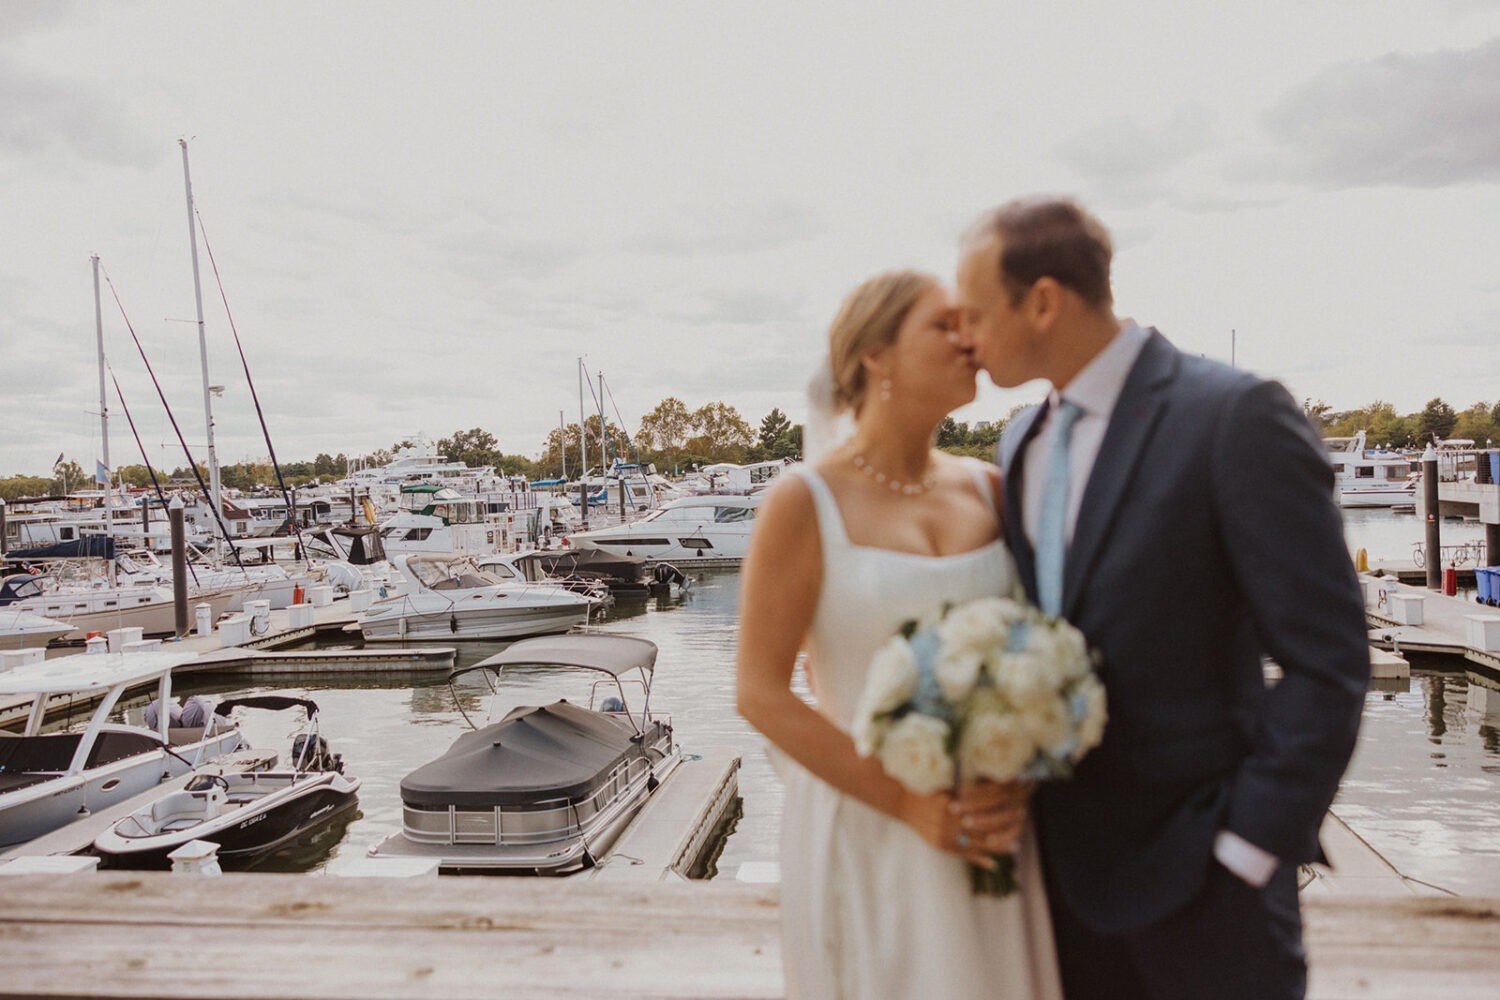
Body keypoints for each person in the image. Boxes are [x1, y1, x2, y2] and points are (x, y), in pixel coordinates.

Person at [954, 196, 1369, 1000]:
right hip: (1056, 886)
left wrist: (1248, 848)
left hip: (1207, 888)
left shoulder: (1234, 417)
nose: (965, 335)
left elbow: (1330, 662)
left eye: (975, 312)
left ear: (1042, 300)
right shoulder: (1019, 439)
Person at [736, 270, 1062, 999]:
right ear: (875, 355)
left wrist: (1018, 771)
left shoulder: (989, 488)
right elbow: (760, 694)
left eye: (967, 324)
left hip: (991, 821)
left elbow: (1032, 648)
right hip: (870, 825)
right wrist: (909, 804)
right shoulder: (803, 502)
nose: (969, 339)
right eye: (943, 326)